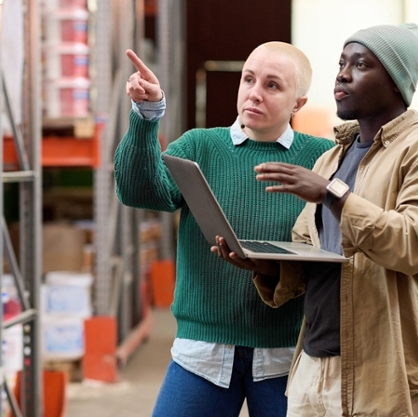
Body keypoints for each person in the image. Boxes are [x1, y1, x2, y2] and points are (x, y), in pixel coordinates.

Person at [213, 24, 418, 417]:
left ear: (396, 83)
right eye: (341, 63)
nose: (342, 73)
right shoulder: (333, 159)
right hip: (313, 368)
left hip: (385, 375)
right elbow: (315, 255)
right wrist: (267, 268)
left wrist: (331, 194)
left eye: (361, 64)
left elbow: (413, 245)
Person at [114, 42, 334, 417]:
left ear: (298, 103)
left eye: (272, 85)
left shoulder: (323, 158)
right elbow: (137, 191)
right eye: (248, 79)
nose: (254, 93)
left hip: (289, 353)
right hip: (202, 351)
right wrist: (147, 115)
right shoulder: (201, 146)